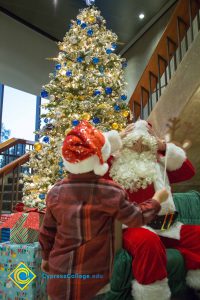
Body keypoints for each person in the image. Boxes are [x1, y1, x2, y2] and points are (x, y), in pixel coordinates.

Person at [39, 120, 168, 300]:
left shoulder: (55, 192)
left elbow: (47, 232)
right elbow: (136, 217)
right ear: (101, 157)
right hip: (95, 281)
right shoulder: (110, 191)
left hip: (60, 279)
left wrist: (45, 257)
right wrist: (156, 200)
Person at [105, 119, 199, 300]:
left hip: (167, 227)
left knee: (197, 235)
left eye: (144, 142)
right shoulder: (112, 165)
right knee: (148, 242)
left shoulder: (159, 163)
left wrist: (162, 144)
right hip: (132, 228)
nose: (138, 146)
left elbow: (189, 171)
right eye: (133, 141)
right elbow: (90, 157)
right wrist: (118, 137)